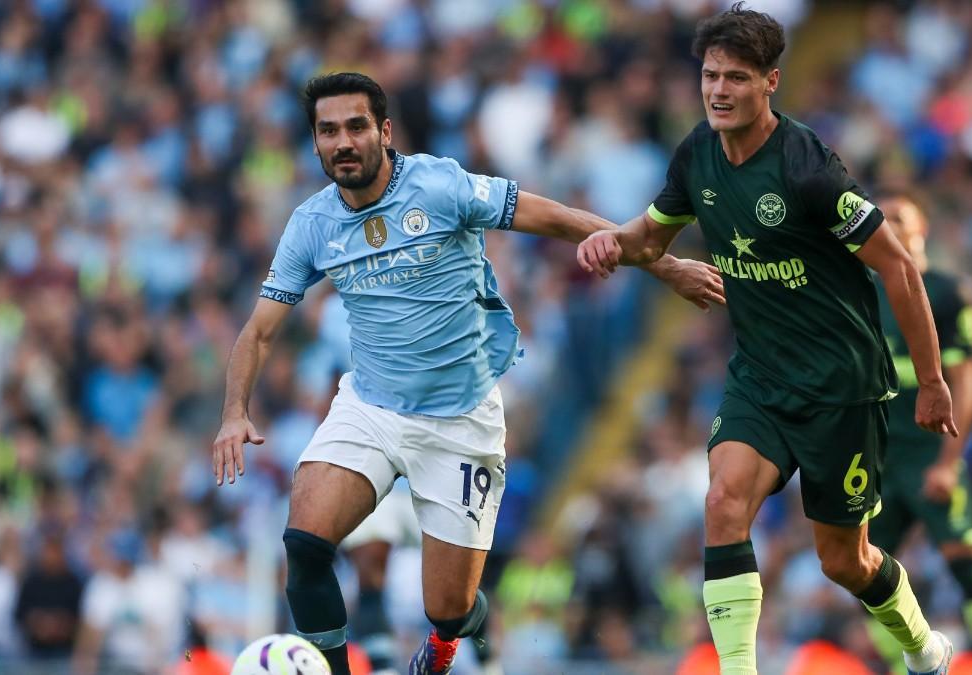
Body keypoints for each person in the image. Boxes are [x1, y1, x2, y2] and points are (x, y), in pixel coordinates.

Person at [211, 72, 725, 675]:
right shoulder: (312, 224)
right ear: (316, 143)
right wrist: (232, 413)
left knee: (447, 607)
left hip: (460, 421)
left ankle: (458, 638)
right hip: (371, 407)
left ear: (384, 131)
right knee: (304, 543)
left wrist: (667, 268)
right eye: (328, 131)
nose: (343, 142)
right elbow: (259, 330)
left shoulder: (440, 184)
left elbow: (558, 219)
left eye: (355, 126)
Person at [576, 5, 957, 674]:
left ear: (771, 82)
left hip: (842, 386)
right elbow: (652, 235)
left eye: (737, 78)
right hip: (760, 375)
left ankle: (924, 645)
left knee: (845, 559)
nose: (719, 91)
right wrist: (615, 241)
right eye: (711, 76)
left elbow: (897, 264)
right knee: (723, 499)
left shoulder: (807, 166)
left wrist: (930, 379)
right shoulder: (697, 153)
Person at [865, 193, 972, 675]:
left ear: (922, 229)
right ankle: (913, 662)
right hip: (877, 459)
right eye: (881, 219)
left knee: (965, 561)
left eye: (899, 218)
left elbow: (967, 384)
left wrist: (948, 463)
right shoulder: (863, 292)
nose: (889, 226)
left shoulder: (948, 292)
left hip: (928, 454)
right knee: (861, 573)